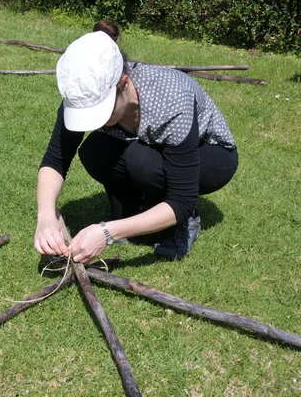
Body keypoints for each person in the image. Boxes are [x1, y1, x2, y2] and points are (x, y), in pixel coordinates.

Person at [34, 22, 238, 263]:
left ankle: (186, 222)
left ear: (124, 83)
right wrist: (46, 215)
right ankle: (139, 206)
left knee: (142, 160)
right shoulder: (83, 91)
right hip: (146, 148)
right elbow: (56, 158)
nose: (96, 120)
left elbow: (181, 200)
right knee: (95, 149)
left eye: (103, 111)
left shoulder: (171, 99)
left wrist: (107, 233)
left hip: (210, 156)